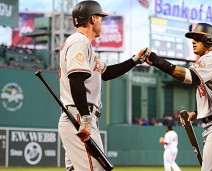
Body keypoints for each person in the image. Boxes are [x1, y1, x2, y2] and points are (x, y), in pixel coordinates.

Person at [58, 1, 149, 170]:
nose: (102, 22)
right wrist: (85, 118)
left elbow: (106, 73)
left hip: (77, 116)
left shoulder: (83, 45)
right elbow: (76, 78)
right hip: (79, 116)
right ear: (93, 19)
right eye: (100, 18)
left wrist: (135, 60)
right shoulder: (79, 41)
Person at [146, 23, 212, 171]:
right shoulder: (209, 62)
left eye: (197, 38)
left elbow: (189, 77)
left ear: (209, 40)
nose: (193, 41)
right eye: (192, 38)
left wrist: (159, 62)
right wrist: (196, 113)